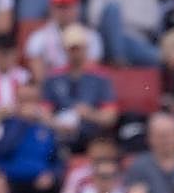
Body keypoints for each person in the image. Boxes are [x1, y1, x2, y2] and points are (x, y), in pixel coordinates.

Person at [42, 22, 118, 151]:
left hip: (92, 135)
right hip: (60, 135)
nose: (75, 53)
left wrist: (90, 114)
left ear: (86, 48)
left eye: (79, 48)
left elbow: (110, 117)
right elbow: (44, 112)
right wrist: (56, 124)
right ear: (65, 49)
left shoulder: (100, 78)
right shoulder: (53, 78)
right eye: (72, 49)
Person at [0, 81, 63, 193]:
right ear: (16, 101)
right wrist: (21, 122)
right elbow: (1, 151)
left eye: (31, 100)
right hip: (10, 180)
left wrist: (52, 175)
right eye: (23, 100)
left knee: (57, 185)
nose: (28, 105)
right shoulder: (4, 124)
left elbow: (58, 160)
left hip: (39, 181)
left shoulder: (47, 127)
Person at [23, 0, 103, 83]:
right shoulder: (39, 37)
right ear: (51, 9)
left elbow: (91, 69)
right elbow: (38, 73)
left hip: (82, 88)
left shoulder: (91, 36)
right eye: (60, 7)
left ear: (77, 7)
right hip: (53, 90)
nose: (64, 11)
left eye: (68, 6)